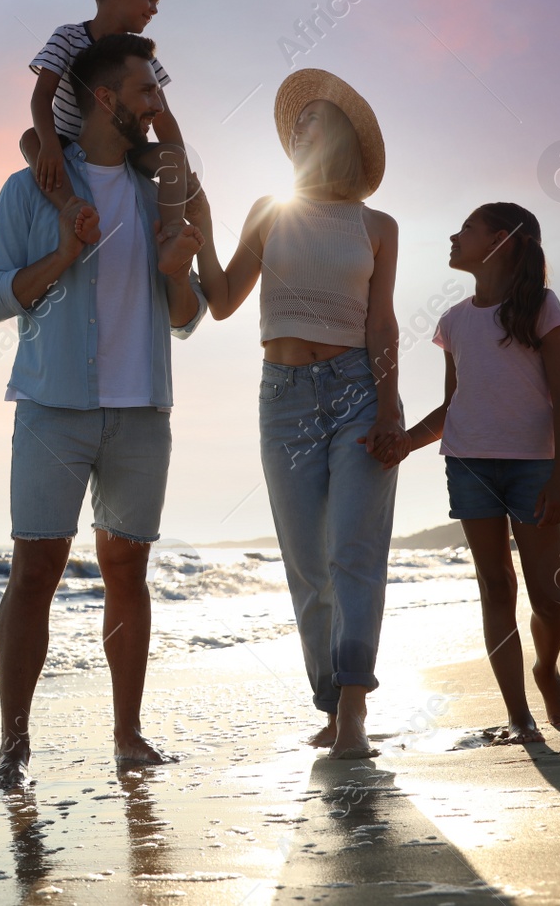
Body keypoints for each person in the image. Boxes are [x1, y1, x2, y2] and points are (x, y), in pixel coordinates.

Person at [0, 32, 206, 791]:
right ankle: (13, 746)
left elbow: (188, 315)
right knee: (34, 569)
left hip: (142, 410)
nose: (156, 106)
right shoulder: (30, 186)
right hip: (52, 405)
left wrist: (178, 276)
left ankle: (128, 735)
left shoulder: (159, 190)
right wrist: (64, 257)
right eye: (145, 92)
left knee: (127, 569)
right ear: (106, 98)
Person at [186, 69, 402, 760]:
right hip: (282, 394)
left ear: (339, 133)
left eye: (314, 119)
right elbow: (220, 299)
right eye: (297, 120)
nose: (299, 129)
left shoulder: (377, 225)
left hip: (356, 391)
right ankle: (331, 700)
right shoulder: (269, 210)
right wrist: (201, 229)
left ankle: (355, 711)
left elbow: (383, 323)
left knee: (354, 549)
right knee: (308, 560)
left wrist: (391, 402)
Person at [390, 203, 560, 743]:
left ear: (501, 240)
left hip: (534, 469)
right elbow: (455, 403)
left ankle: (546, 670)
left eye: (467, 229)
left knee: (549, 596)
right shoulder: (453, 321)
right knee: (496, 586)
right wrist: (406, 442)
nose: (454, 237)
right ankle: (518, 713)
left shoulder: (542, 307)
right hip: (469, 465)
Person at [21, 0, 198, 270]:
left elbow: (163, 116)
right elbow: (41, 96)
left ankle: (171, 235)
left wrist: (181, 170)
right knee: (29, 139)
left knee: (174, 157)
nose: (154, 9)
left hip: (125, 147)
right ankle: (73, 208)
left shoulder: (143, 57)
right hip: (68, 143)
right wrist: (49, 145)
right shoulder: (68, 37)